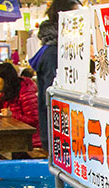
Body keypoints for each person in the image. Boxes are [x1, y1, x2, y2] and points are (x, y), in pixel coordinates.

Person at [30, 0, 82, 153]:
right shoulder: (53, 53)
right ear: (63, 19)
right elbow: (51, 101)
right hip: (59, 136)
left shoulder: (62, 50)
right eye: (76, 17)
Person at [0, 62, 41, 148]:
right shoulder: (9, 90)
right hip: (15, 135)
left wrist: (12, 115)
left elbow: (34, 120)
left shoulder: (26, 92)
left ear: (6, 79)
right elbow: (1, 110)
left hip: (30, 140)